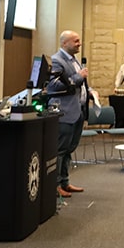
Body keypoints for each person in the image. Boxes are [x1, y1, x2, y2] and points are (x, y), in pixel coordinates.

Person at [47, 30, 91, 198]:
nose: (79, 43)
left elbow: (78, 84)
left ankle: (65, 181)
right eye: (76, 41)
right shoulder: (57, 61)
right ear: (65, 43)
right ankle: (55, 185)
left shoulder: (74, 60)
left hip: (77, 111)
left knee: (69, 149)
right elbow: (55, 86)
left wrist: (90, 90)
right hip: (64, 111)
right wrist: (79, 77)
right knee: (60, 149)